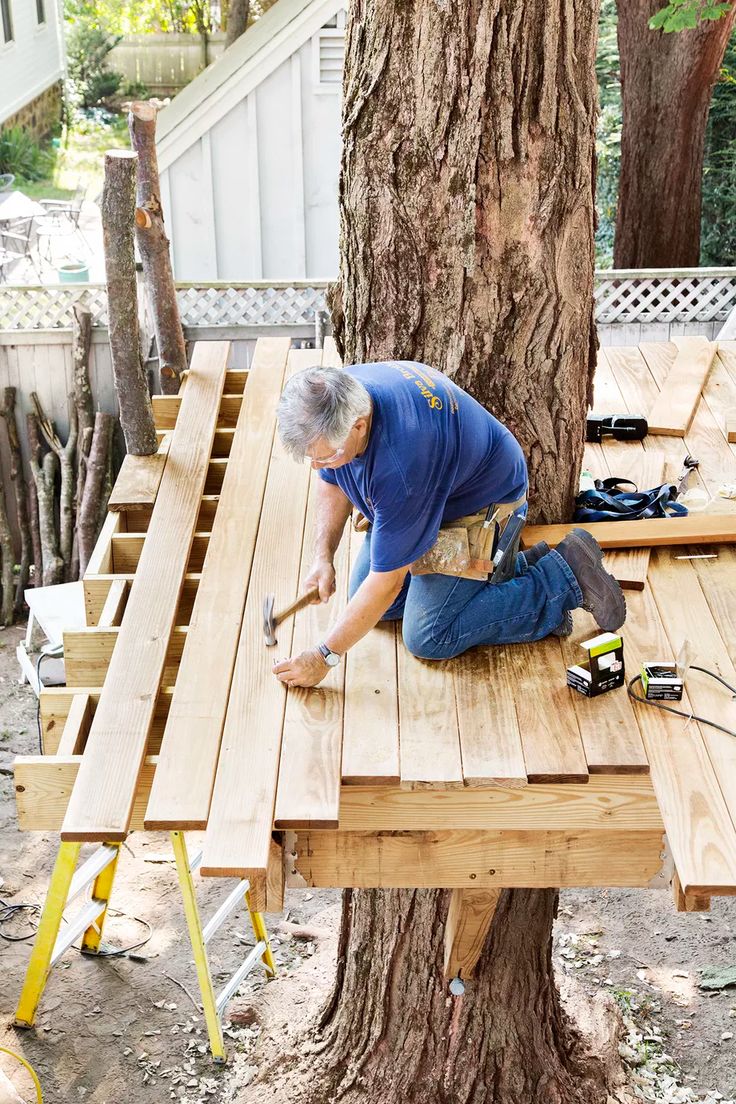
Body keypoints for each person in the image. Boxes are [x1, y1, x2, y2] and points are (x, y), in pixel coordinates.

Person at [272, 360, 626, 689]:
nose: (319, 467)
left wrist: (324, 656)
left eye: (327, 455)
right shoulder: (339, 394)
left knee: (428, 636)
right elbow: (331, 477)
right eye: (312, 458)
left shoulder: (401, 465)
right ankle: (509, 567)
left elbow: (387, 583)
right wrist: (323, 556)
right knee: (375, 608)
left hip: (483, 502)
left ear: (359, 425)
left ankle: (562, 580)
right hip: (434, 493)